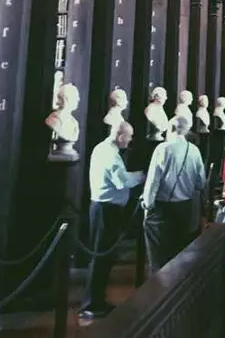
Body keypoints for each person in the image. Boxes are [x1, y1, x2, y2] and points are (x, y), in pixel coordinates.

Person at [80, 121, 144, 319]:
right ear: (120, 135)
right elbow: (121, 181)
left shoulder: (103, 148)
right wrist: (141, 176)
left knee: (103, 256)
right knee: (101, 256)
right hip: (105, 210)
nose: (131, 140)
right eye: (129, 136)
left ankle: (96, 300)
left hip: (103, 209)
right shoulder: (110, 154)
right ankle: (92, 303)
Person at [142, 114, 206, 272]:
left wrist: (147, 204)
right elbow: (201, 182)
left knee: (158, 259)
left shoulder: (163, 149)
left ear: (171, 128)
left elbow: (153, 180)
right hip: (185, 208)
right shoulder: (194, 150)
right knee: (178, 256)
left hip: (162, 210)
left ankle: (158, 293)